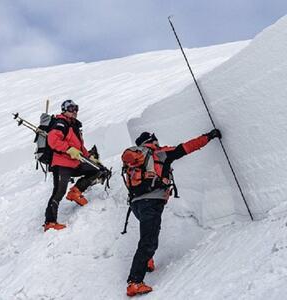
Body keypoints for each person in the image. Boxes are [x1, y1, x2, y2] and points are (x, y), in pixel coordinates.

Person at [123, 129, 221, 297]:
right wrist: (208, 136)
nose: (158, 143)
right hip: (151, 202)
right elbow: (187, 147)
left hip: (135, 204)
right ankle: (135, 282)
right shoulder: (160, 153)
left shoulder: (135, 159)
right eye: (156, 140)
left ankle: (146, 261)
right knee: (149, 240)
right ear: (152, 141)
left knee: (150, 234)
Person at [44, 99, 105, 231]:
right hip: (61, 164)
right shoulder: (60, 123)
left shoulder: (74, 126)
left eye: (76, 108)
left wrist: (91, 158)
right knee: (58, 192)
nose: (75, 111)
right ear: (64, 110)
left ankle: (75, 192)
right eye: (71, 108)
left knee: (96, 170)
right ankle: (50, 223)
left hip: (74, 163)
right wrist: (68, 149)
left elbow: (80, 148)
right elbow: (53, 140)